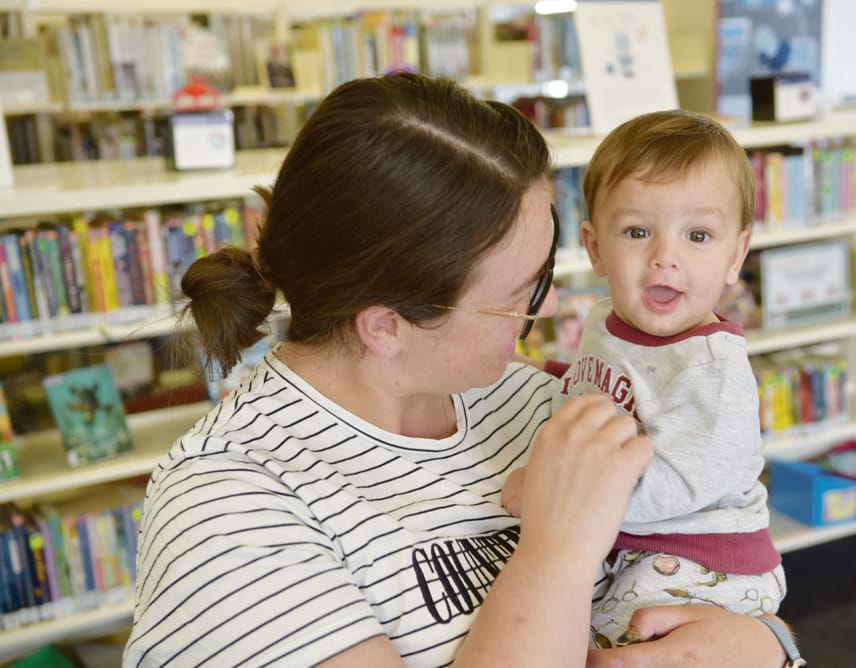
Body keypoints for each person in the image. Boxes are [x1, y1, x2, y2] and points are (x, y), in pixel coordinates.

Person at [124, 74, 790, 667]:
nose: (548, 307)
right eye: (522, 294)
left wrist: (770, 645)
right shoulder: (229, 513)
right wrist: (555, 551)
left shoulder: (532, 399)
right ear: (385, 325)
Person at [501, 109, 785, 648]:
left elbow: (681, 481)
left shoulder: (712, 371)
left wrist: (550, 494)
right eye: (637, 232)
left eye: (698, 235)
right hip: (634, 541)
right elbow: (599, 388)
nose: (665, 258)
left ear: (736, 255)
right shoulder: (606, 321)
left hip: (701, 561)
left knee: (615, 643)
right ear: (595, 248)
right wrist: (538, 371)